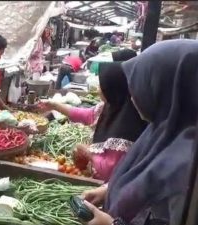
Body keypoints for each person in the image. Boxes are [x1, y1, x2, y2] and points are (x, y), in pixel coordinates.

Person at [81, 39, 198, 225]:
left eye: (142, 82)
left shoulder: (188, 166)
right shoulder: (159, 132)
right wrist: (109, 190)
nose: (133, 94)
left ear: (164, 87)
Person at [39, 52, 146, 182]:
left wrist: (88, 153)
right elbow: (85, 115)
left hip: (109, 188)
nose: (98, 89)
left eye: (101, 85)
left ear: (112, 89)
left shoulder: (127, 124)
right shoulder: (111, 107)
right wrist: (54, 105)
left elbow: (109, 171)